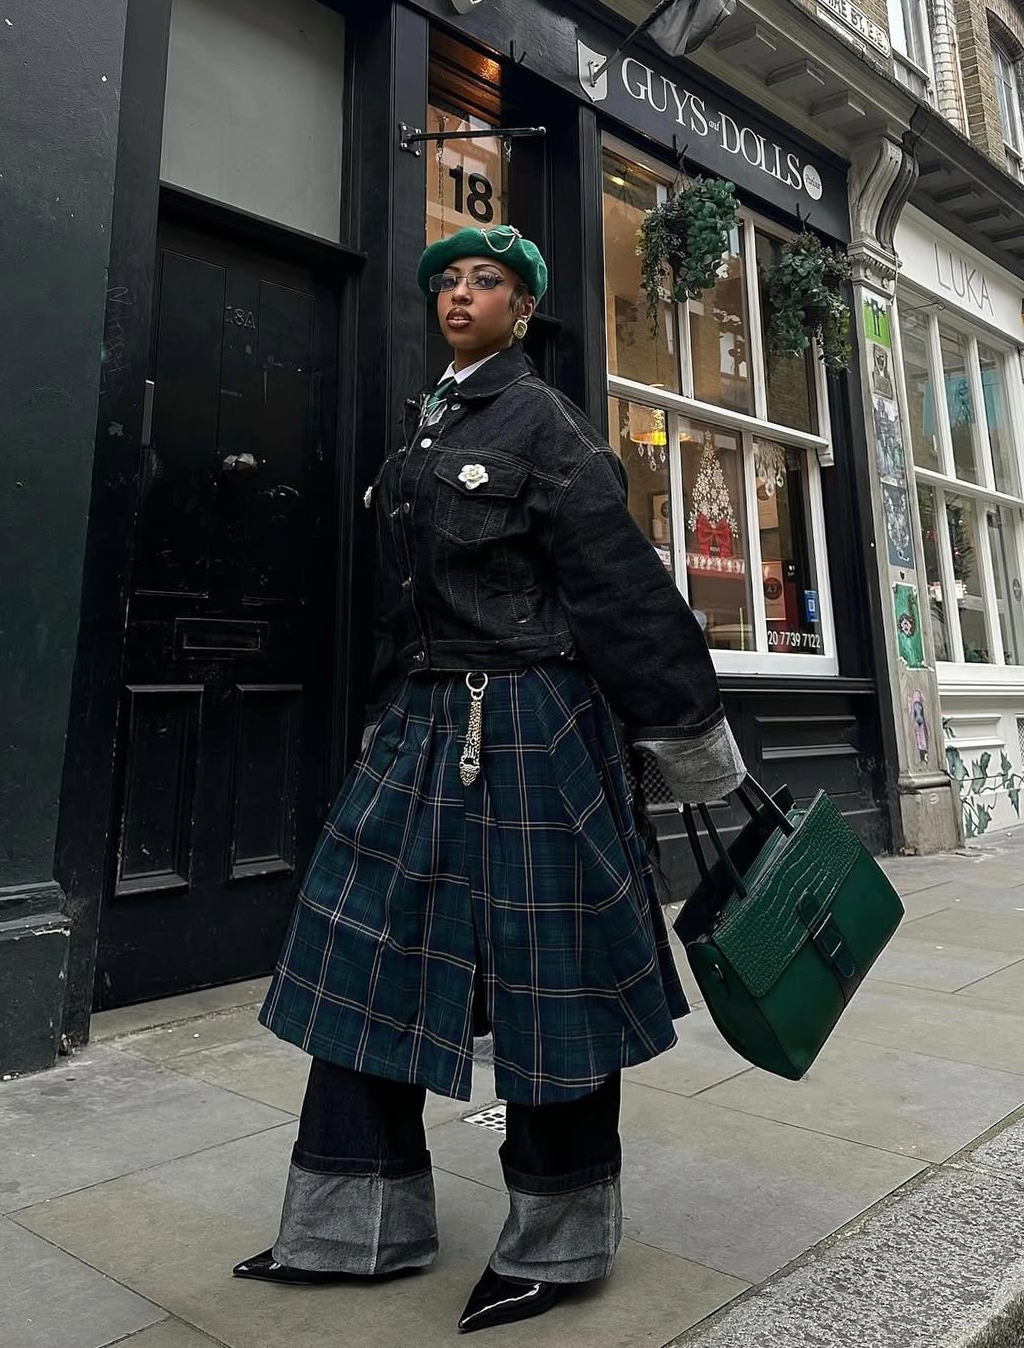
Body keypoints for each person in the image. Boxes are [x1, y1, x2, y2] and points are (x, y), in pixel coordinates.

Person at [233, 224, 745, 1334]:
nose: (461, 294)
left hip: (533, 725)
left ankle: (557, 1242)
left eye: (488, 282)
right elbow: (399, 604)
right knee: (363, 959)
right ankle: (351, 1221)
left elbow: (619, 588)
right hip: (421, 723)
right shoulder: (424, 433)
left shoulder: (547, 426)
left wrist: (692, 740)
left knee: (546, 983)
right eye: (451, 281)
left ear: (525, 309)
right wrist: (378, 719)